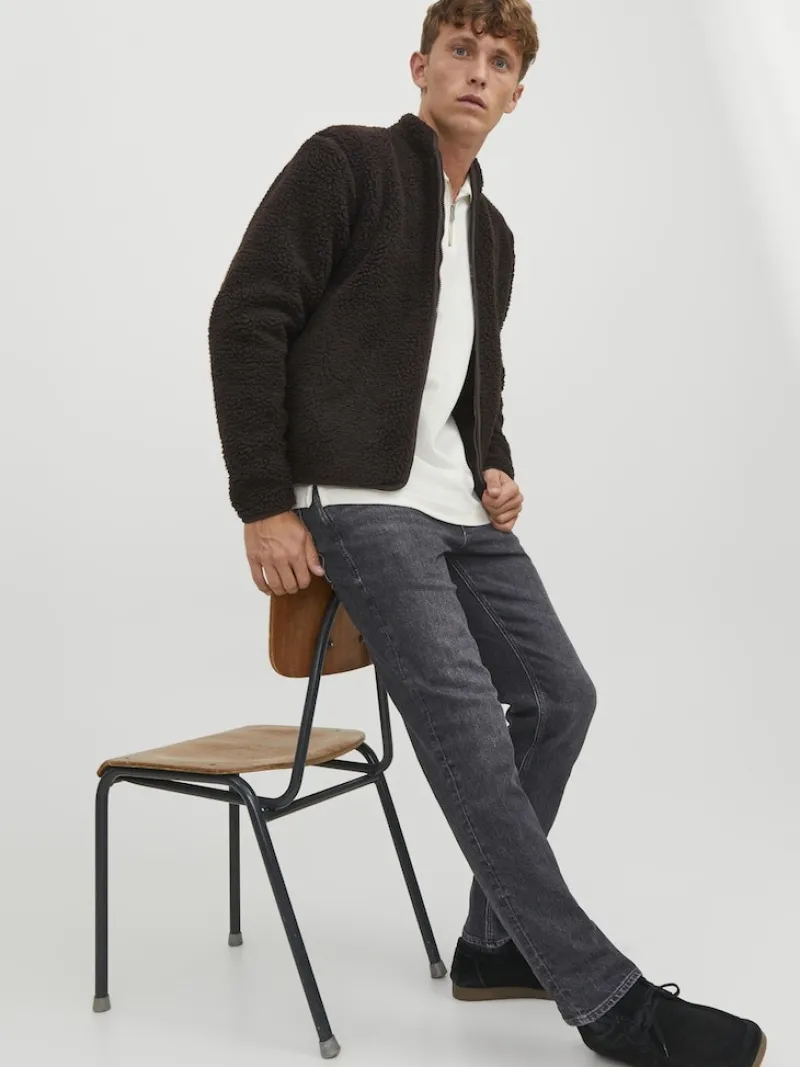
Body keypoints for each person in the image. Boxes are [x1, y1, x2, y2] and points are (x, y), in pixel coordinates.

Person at [208, 2, 767, 1064]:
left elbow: (478, 381)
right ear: (420, 65)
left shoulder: (491, 234)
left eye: (498, 60)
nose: (477, 70)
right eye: (460, 50)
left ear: (515, 94)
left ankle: (491, 941)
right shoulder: (347, 164)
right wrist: (263, 501)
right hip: (356, 503)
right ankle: (604, 997)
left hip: (455, 510)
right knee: (466, 723)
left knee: (559, 697)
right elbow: (247, 316)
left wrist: (491, 463)